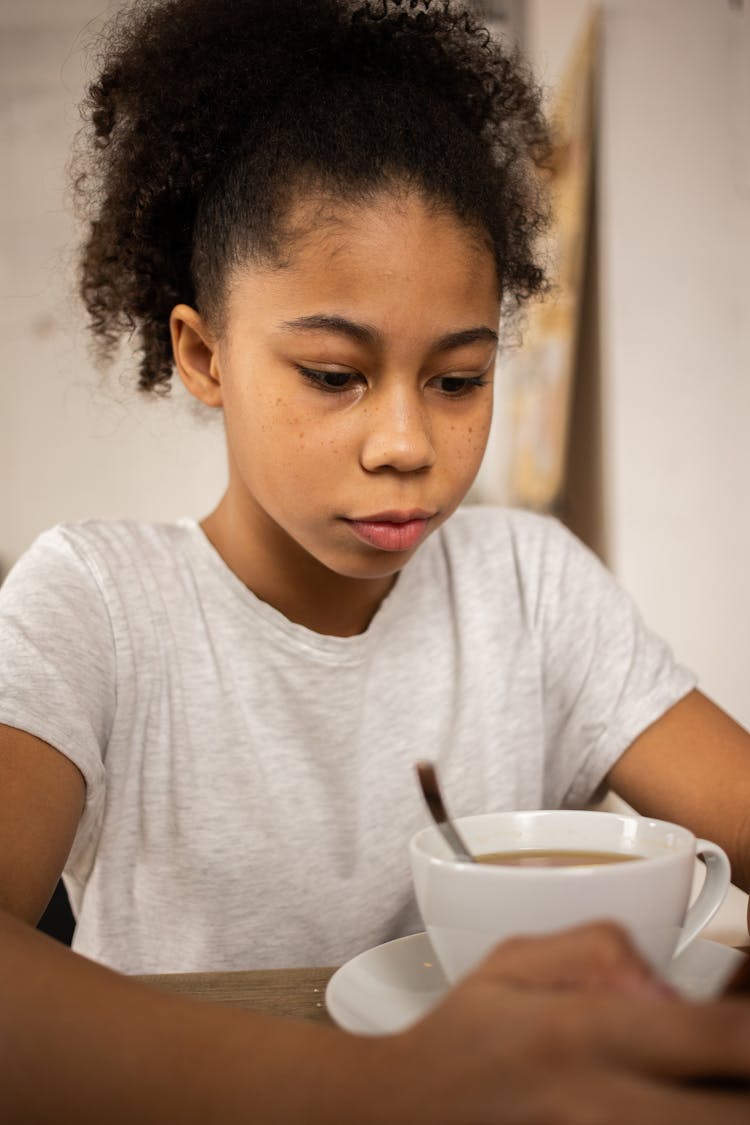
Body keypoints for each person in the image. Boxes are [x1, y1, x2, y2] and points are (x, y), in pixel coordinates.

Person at [0, 0, 749, 1119]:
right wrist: (389, 1087)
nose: (407, 446)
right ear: (203, 354)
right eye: (334, 374)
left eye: (457, 381)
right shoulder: (96, 605)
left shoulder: (532, 586)